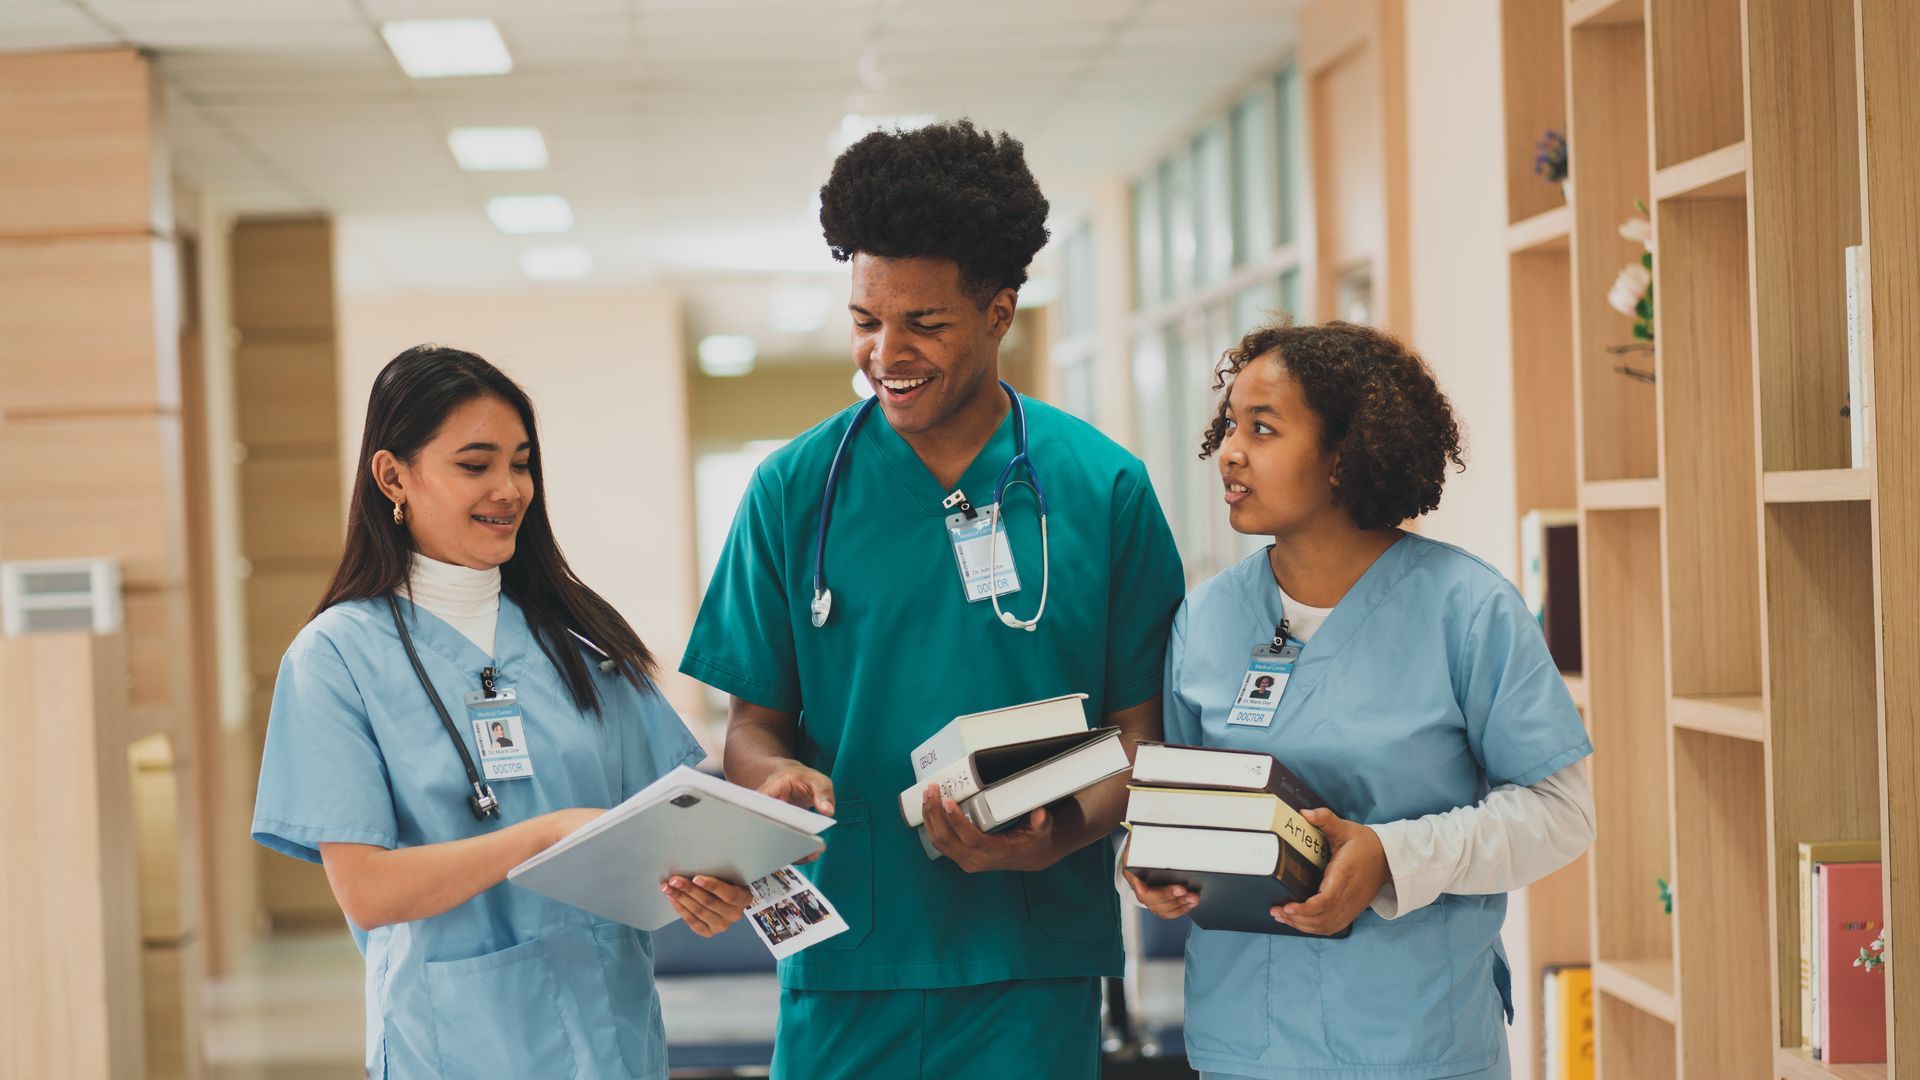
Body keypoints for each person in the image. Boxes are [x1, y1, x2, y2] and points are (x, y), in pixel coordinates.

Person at [681, 120, 1186, 1079]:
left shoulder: (1102, 489)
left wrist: (1061, 833)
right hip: (842, 955)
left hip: (1030, 963)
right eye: (867, 320)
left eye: (925, 322)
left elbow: (1140, 734)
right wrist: (773, 782)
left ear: (999, 313)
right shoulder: (794, 490)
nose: (886, 353)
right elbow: (754, 726)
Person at [251, 346, 753, 1079]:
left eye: (520, 464)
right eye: (475, 464)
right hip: (453, 1044)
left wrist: (713, 888)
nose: (509, 488)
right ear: (393, 476)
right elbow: (367, 889)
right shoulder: (336, 659)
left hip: (610, 1032)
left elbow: (665, 829)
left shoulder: (582, 644)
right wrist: (543, 834)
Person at [1124, 321, 1596, 1080]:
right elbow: (1176, 802)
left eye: (1264, 428)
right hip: (1247, 1043)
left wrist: (1391, 857)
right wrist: (1155, 865)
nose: (1231, 452)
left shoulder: (1466, 609)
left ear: (1345, 456)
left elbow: (1560, 814)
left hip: (1415, 1042)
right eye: (1231, 425)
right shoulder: (1206, 619)